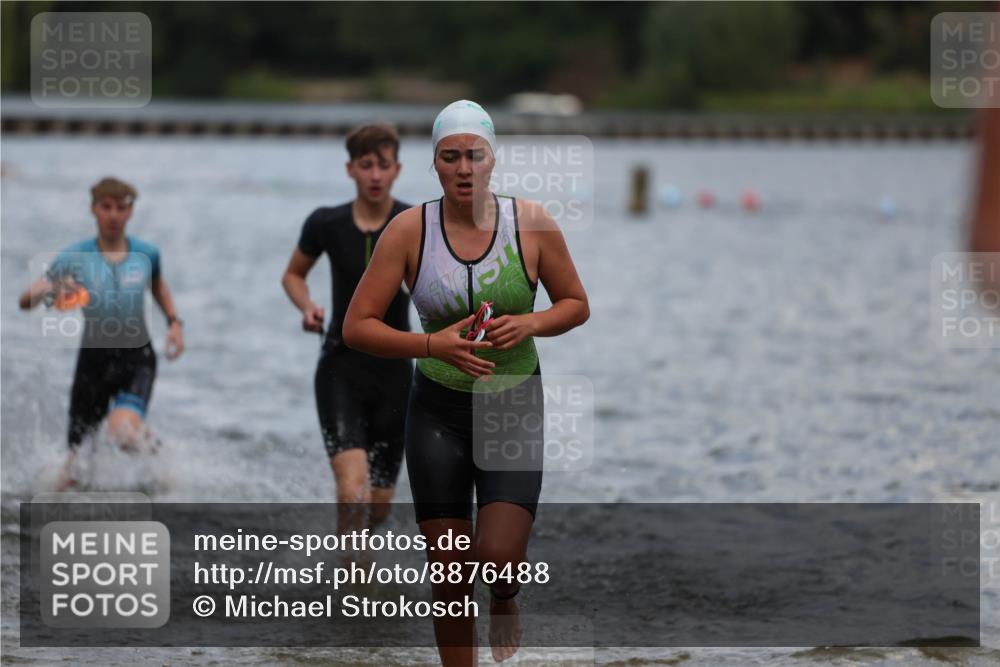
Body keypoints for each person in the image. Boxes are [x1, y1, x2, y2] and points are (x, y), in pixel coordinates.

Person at [343, 101, 589, 665]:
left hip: (512, 405)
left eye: (473, 155)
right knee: (451, 577)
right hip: (436, 411)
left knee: (498, 556)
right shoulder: (408, 231)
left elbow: (577, 305)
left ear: (491, 159)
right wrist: (433, 344)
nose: (463, 168)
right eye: (450, 156)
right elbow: (357, 327)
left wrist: (529, 321)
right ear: (434, 164)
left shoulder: (531, 224)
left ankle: (505, 597)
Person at [281, 124, 412, 533]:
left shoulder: (413, 224)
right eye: (366, 165)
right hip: (341, 366)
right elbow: (293, 275)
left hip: (395, 373)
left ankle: (357, 566)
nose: (375, 175)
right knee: (352, 492)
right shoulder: (326, 223)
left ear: (397, 170)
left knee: (378, 505)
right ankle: (354, 588)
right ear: (350, 169)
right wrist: (307, 307)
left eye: (383, 166)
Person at [19, 177, 185, 490]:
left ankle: (161, 462)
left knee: (121, 431)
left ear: (130, 212)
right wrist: (54, 290)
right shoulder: (74, 257)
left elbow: (159, 286)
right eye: (106, 207)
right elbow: (26, 300)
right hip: (92, 360)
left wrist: (175, 323)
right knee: (72, 473)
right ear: (94, 210)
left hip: (137, 358)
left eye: (121, 208)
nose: (113, 215)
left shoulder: (146, 253)